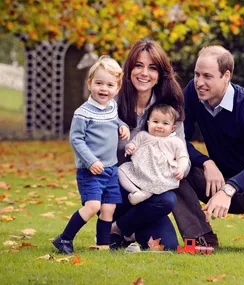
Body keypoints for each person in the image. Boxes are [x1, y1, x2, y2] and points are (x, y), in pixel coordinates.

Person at [172, 45, 244, 249]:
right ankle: (202, 237)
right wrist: (206, 162)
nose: (199, 82)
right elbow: (176, 140)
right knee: (172, 166)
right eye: (196, 74)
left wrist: (230, 188)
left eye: (207, 76)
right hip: (215, 181)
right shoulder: (192, 92)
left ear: (226, 76)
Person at [110, 38, 188, 250]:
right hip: (116, 187)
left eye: (152, 68)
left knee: (168, 242)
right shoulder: (112, 102)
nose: (144, 73)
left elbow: (182, 151)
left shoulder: (169, 107)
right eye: (138, 65)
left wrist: (177, 168)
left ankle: (119, 228)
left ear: (159, 75)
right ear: (129, 69)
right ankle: (123, 225)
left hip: (152, 191)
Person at [52, 56, 130, 254]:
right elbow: (76, 139)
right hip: (91, 170)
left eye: (110, 84)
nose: (104, 89)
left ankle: (103, 245)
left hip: (111, 169)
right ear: (90, 84)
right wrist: (91, 161)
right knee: (93, 205)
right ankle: (64, 239)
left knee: (108, 209)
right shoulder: (83, 113)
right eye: (99, 83)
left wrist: (123, 126)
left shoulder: (112, 107)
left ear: (118, 87)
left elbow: (116, 121)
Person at [118, 103, 189, 205]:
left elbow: (182, 157)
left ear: (173, 128)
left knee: (157, 184)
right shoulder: (143, 136)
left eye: (165, 123)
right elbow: (132, 144)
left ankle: (147, 193)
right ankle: (136, 192)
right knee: (121, 170)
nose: (159, 126)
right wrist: (129, 148)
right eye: (155, 122)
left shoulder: (175, 141)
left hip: (161, 174)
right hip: (139, 171)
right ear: (148, 123)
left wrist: (181, 168)